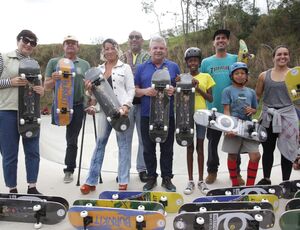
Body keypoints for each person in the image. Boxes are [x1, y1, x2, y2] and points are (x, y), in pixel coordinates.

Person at [80, 38, 135, 193]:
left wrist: (126, 106)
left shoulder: (125, 68)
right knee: (100, 144)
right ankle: (91, 181)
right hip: (105, 111)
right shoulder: (98, 70)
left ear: (117, 49)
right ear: (103, 51)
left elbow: (131, 89)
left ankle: (123, 180)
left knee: (123, 145)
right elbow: (93, 94)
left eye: (112, 48)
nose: (109, 51)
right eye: (106, 49)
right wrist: (89, 90)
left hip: (121, 111)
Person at [0, 29, 44, 194]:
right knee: (10, 154)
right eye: (26, 40)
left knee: (33, 151)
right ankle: (12, 190)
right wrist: (9, 82)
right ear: (18, 40)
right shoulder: (3, 58)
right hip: (7, 112)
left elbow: (36, 87)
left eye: (33, 43)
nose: (29, 44)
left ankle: (32, 187)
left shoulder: (34, 64)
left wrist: (41, 90)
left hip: (30, 113)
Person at [135, 35, 180, 192]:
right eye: (155, 48)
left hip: (168, 115)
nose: (158, 51)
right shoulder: (140, 68)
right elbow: (134, 90)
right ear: (150, 50)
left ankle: (167, 178)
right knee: (148, 148)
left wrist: (174, 90)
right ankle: (151, 177)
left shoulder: (174, 67)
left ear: (166, 50)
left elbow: (179, 89)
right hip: (147, 115)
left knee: (167, 149)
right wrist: (145, 91)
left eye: (161, 48)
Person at [44, 35, 90, 183]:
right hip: (61, 106)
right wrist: (54, 79)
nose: (70, 46)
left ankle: (69, 170)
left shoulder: (84, 64)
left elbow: (89, 87)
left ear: (78, 46)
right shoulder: (54, 62)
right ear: (63, 46)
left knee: (72, 139)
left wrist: (90, 103)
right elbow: (46, 86)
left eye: (73, 43)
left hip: (77, 106)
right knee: (68, 138)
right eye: (67, 43)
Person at [200, 29, 243, 185]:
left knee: (234, 144)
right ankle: (212, 171)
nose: (221, 40)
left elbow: (242, 78)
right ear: (213, 42)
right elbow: (201, 83)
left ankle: (236, 173)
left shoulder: (235, 58)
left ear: (228, 41)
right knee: (212, 144)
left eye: (224, 38)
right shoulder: (206, 63)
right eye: (218, 38)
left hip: (234, 110)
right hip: (212, 109)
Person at [255, 45, 299, 184]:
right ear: (273, 57)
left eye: (285, 54)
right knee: (268, 149)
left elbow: (298, 97)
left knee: (287, 150)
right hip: (269, 116)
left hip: (288, 115)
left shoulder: (295, 75)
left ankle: (285, 182)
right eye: (279, 54)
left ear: (289, 57)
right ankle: (266, 178)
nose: (282, 57)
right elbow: (257, 97)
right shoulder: (264, 75)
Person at [181, 47, 215, 195]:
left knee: (200, 147)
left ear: (199, 62)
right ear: (187, 63)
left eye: (195, 60)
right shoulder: (183, 77)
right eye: (190, 60)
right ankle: (190, 180)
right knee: (189, 147)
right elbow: (180, 97)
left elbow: (210, 98)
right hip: (187, 115)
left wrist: (197, 87)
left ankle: (201, 180)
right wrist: (179, 83)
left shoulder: (206, 76)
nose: (193, 63)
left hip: (201, 115)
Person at [222, 62, 260, 186]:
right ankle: (235, 184)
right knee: (232, 156)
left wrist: (252, 110)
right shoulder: (227, 91)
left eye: (242, 73)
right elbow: (226, 110)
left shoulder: (251, 92)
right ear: (231, 76)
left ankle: (250, 186)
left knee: (255, 156)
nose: (240, 75)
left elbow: (255, 108)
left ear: (246, 76)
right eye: (237, 73)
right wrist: (228, 128)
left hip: (248, 128)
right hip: (233, 127)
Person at [120, 31, 150, 183]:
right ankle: (123, 169)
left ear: (142, 40)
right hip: (126, 104)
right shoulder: (121, 57)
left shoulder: (149, 56)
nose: (134, 39)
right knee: (125, 138)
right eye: (131, 37)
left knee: (143, 138)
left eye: (137, 37)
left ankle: (142, 168)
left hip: (144, 102)